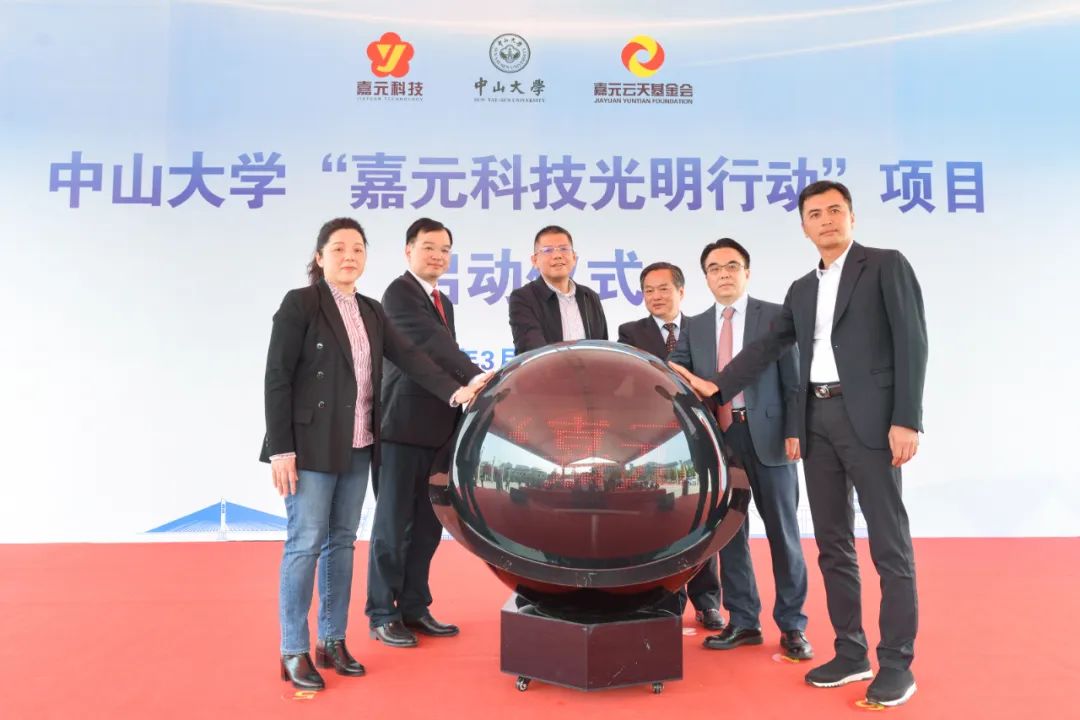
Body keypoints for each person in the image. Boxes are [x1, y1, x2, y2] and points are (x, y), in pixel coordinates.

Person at [670, 181, 926, 707]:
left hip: (872, 422)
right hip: (818, 422)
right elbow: (767, 346)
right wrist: (717, 386)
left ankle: (897, 663)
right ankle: (851, 652)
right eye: (815, 214)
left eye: (835, 210)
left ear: (851, 217)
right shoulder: (802, 289)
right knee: (832, 544)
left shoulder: (885, 265)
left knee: (889, 545)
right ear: (804, 227)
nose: (826, 220)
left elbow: (912, 340)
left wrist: (907, 419)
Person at [261, 217, 482, 691]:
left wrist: (459, 389)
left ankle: (332, 641)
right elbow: (277, 377)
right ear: (320, 257)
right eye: (339, 248)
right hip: (311, 447)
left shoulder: (371, 310)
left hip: (359, 444)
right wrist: (281, 450)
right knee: (305, 543)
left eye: (358, 249)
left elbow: (413, 359)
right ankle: (294, 649)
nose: (349, 256)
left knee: (342, 543)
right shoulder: (301, 303)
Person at [667, 240, 811, 660]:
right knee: (730, 536)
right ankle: (744, 620)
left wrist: (795, 430)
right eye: (715, 268)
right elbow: (680, 375)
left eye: (732, 266)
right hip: (721, 442)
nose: (724, 274)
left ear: (747, 272)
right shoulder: (694, 325)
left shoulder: (775, 317)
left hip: (771, 438)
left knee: (784, 534)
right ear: (706, 278)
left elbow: (794, 380)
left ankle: (793, 626)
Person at [366, 218, 489, 647]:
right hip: (400, 427)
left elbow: (441, 352)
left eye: (444, 250)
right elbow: (433, 347)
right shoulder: (399, 294)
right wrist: (475, 377)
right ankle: (382, 613)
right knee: (392, 525)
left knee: (426, 527)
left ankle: (415, 607)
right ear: (408, 251)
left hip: (437, 428)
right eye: (429, 247)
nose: (437, 256)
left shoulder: (443, 301)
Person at [616, 261, 724, 632]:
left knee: (703, 518)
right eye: (648, 290)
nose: (656, 296)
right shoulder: (630, 332)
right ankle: (666, 601)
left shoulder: (702, 329)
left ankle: (708, 601)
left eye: (663, 289)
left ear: (681, 291)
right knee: (664, 521)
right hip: (653, 441)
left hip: (699, 437)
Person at [508, 225, 608, 354]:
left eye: (564, 249)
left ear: (574, 257)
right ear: (535, 260)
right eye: (548, 250)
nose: (557, 255)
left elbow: (602, 348)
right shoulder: (523, 298)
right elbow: (532, 351)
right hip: (546, 367)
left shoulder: (589, 296)